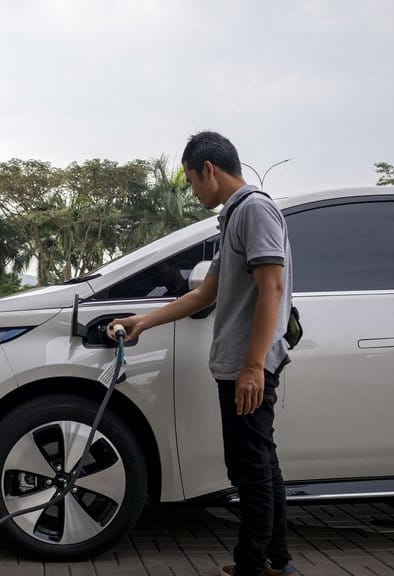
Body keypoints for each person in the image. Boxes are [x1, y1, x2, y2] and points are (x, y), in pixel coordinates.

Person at [111, 131, 295, 576]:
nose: (193, 192)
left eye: (192, 181)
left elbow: (272, 286)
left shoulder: (254, 210)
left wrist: (253, 366)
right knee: (259, 463)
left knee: (250, 468)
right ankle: (277, 560)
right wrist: (143, 321)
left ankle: (254, 564)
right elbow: (204, 295)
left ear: (209, 170)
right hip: (239, 364)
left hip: (248, 366)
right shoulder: (234, 219)